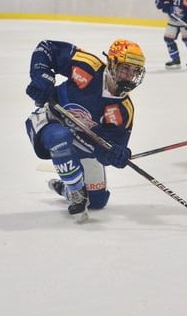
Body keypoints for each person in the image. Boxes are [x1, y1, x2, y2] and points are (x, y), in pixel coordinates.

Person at [24, 39, 146, 222]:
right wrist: (42, 80)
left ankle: (66, 186)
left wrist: (115, 154)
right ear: (112, 63)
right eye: (125, 69)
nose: (129, 76)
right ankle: (75, 190)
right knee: (60, 137)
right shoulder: (88, 67)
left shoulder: (123, 110)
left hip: (82, 139)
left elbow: (104, 150)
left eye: (134, 71)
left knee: (97, 201)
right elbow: (47, 48)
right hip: (50, 120)